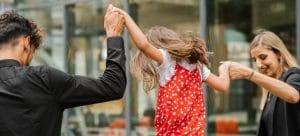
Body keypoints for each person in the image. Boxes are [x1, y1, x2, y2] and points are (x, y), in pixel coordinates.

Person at [0, 5, 127, 136]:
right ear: (26, 43)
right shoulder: (43, 79)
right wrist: (113, 35)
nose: (30, 61)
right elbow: (113, 85)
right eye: (33, 52)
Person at [110, 6, 231, 135]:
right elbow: (223, 86)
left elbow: (144, 45)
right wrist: (225, 68)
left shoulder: (166, 59)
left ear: (159, 46)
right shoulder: (198, 66)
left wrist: (126, 18)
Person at [223, 30, 300, 136]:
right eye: (255, 60)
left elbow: (293, 96)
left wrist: (249, 74)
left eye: (263, 57)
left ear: (278, 54)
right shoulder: (271, 92)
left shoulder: (294, 75)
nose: (259, 65)